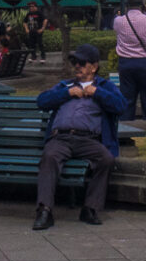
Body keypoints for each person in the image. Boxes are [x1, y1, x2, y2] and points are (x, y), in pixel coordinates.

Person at [30, 44, 127, 230]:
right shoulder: (65, 85)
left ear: (94, 66)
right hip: (61, 138)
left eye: (82, 63)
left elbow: (121, 106)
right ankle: (44, 210)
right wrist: (66, 93)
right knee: (49, 157)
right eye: (75, 62)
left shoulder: (105, 87)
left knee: (106, 159)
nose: (77, 66)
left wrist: (96, 93)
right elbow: (41, 101)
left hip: (88, 139)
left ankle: (90, 208)